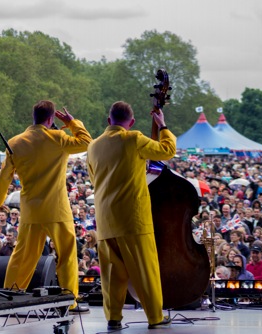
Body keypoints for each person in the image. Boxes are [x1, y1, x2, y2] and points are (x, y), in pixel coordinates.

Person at [0, 100, 92, 312]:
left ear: (34, 117)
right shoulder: (58, 138)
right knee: (66, 256)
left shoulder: (15, 142)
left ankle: (9, 297)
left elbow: (3, 177)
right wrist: (73, 123)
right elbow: (86, 142)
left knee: (22, 256)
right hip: (57, 209)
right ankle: (70, 301)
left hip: (31, 210)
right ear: (50, 119)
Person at [86, 101, 174, 329]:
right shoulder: (133, 138)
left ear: (108, 121)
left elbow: (94, 178)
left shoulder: (93, 146)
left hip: (105, 220)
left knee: (112, 276)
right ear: (131, 122)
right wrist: (162, 126)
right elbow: (167, 151)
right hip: (132, 219)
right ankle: (155, 317)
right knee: (146, 271)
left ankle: (113, 318)